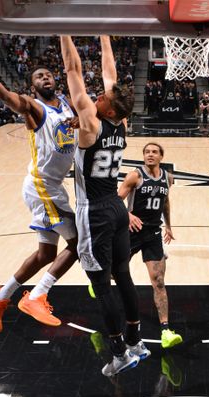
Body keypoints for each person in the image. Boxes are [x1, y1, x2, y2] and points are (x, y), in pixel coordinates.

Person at [0, 26, 79, 332]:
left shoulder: (65, 105)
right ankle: (36, 296)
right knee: (80, 242)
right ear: (32, 87)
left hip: (52, 186)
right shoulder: (33, 108)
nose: (46, 78)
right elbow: (7, 96)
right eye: (39, 77)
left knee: (46, 254)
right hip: (43, 187)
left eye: (49, 74)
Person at [61, 34, 148, 376]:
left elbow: (72, 69)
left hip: (93, 211)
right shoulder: (120, 122)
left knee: (101, 285)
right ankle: (137, 340)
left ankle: (119, 352)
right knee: (123, 274)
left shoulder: (91, 123)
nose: (97, 94)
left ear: (108, 107)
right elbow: (110, 72)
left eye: (103, 96)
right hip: (115, 207)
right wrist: (104, 34)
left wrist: (64, 30)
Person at [117, 142, 183, 349]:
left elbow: (165, 202)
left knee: (159, 281)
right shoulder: (134, 176)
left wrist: (169, 226)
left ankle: (166, 331)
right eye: (147, 152)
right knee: (115, 272)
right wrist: (127, 215)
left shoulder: (167, 178)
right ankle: (101, 278)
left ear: (161, 156)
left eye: (154, 152)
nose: (150, 155)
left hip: (153, 233)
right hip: (131, 232)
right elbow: (116, 200)